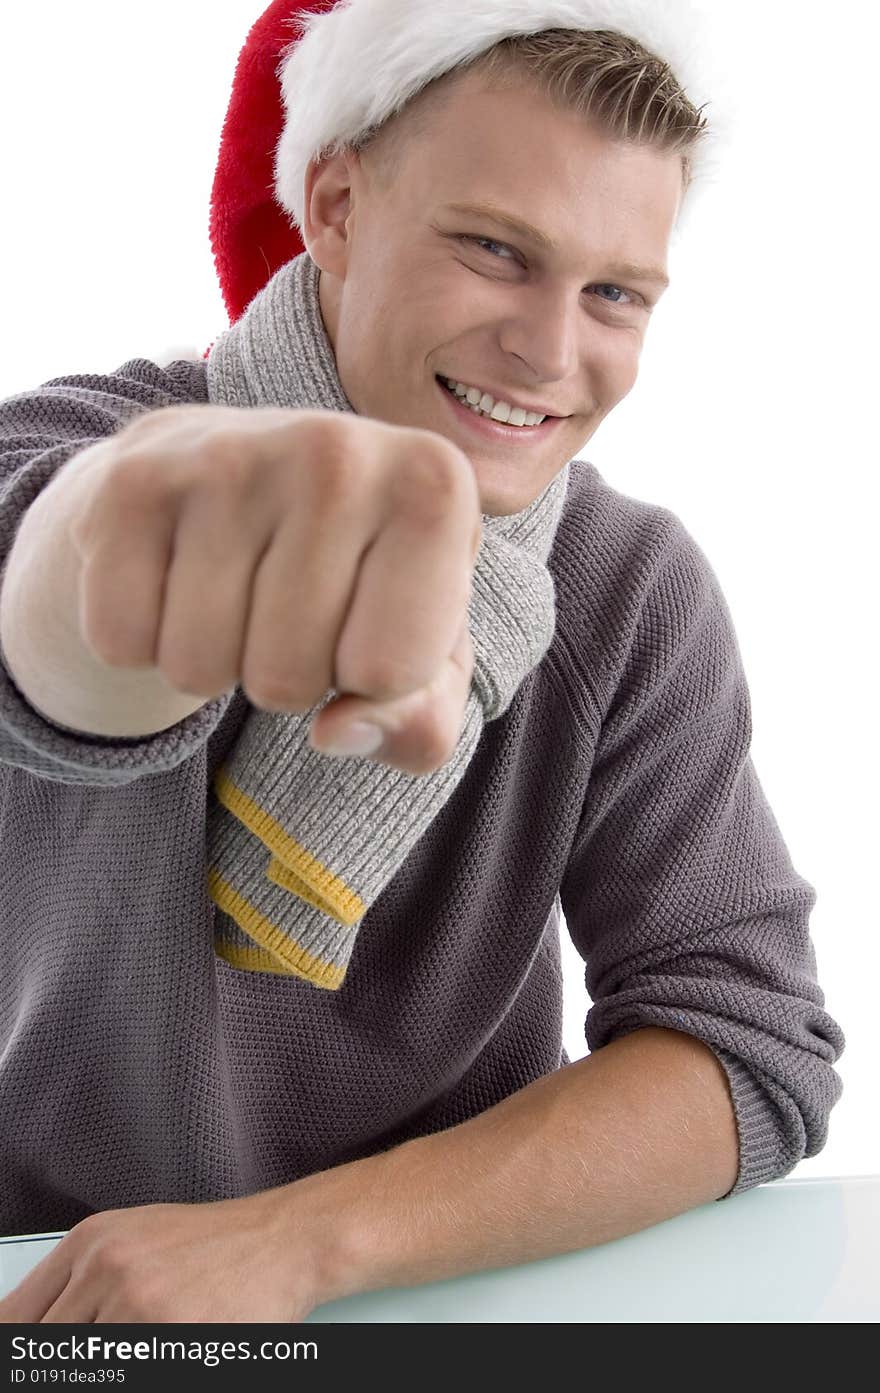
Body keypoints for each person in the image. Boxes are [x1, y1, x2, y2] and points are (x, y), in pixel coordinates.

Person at [0, 0, 845, 1324]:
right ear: (334, 204)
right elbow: (54, 613)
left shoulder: (629, 589)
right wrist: (168, 511)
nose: (552, 353)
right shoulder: (86, 454)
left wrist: (300, 1244)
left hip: (442, 1288)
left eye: (615, 293)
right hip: (52, 1298)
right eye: (496, 251)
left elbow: (743, 1050)